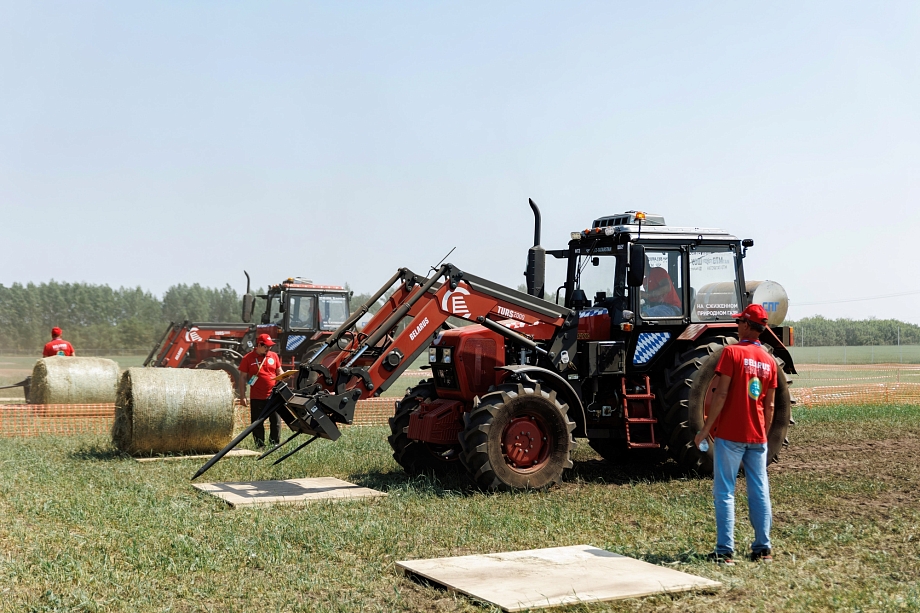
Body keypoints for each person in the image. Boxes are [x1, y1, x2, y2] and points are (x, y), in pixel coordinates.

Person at [694, 303, 777, 565]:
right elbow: (770, 405)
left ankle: (725, 551)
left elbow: (721, 394)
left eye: (740, 321)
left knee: (725, 491)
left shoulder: (731, 353)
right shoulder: (769, 360)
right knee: (759, 490)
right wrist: (763, 433)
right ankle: (763, 549)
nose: (737, 325)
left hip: (730, 435)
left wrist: (705, 430)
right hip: (758, 437)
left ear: (747, 326)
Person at [239, 333, 284, 447]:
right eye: (266, 346)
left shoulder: (274, 356)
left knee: (276, 422)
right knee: (257, 423)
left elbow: (279, 371)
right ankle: (260, 445)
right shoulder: (247, 358)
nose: (269, 349)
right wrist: (242, 396)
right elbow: (243, 378)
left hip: (273, 395)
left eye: (270, 346)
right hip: (257, 397)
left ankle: (275, 444)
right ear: (259, 345)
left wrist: (285, 376)